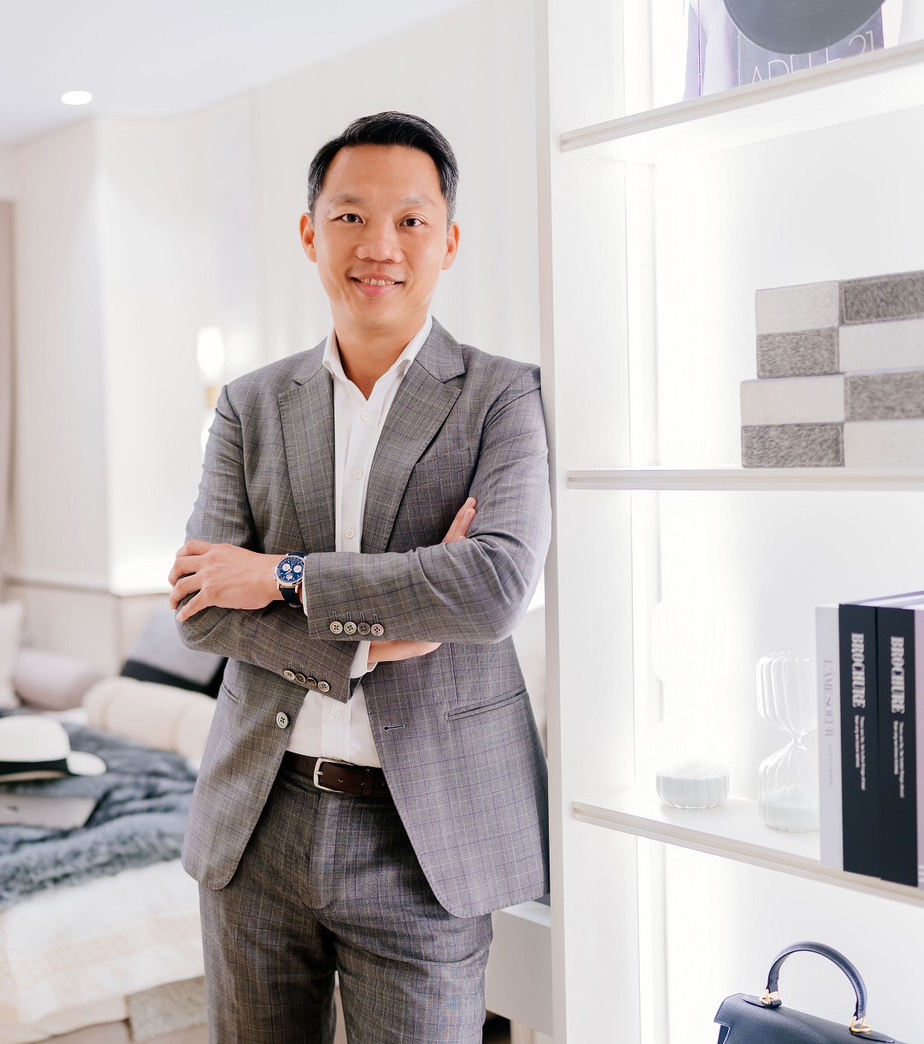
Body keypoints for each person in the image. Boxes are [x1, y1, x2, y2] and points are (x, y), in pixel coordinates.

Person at [168, 111, 551, 1044]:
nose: (379, 245)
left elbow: (493, 586)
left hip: (426, 841)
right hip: (258, 820)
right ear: (311, 233)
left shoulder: (504, 395)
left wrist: (282, 574)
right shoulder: (251, 404)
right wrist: (370, 644)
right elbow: (199, 608)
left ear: (449, 242)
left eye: (411, 220)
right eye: (350, 217)